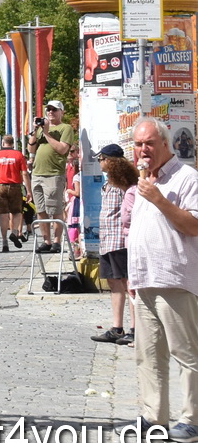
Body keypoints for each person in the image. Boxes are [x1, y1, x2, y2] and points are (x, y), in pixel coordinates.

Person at [127, 117, 198, 440]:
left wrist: (158, 198)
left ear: (166, 145)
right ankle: (153, 416)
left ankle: (192, 417)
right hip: (144, 279)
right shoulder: (141, 181)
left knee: (186, 353)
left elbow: (193, 226)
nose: (143, 150)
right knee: (149, 354)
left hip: (175, 279)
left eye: (149, 144)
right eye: (139, 144)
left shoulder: (186, 179)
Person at [93, 143, 138, 346]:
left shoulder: (123, 184)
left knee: (128, 283)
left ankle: (135, 329)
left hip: (119, 239)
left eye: (101, 159)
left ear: (110, 160)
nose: (99, 163)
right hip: (107, 240)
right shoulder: (108, 183)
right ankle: (117, 327)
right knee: (113, 282)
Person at [29, 102, 78, 254]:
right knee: (40, 209)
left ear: (61, 112)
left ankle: (56, 242)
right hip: (37, 173)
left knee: (55, 208)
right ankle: (46, 241)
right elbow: (31, 149)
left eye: (54, 110)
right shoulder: (41, 129)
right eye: (48, 110)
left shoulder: (65, 128)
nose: (50, 112)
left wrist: (47, 133)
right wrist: (35, 131)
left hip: (53, 174)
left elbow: (63, 149)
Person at [0, 136, 29, 248]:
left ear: (3, 143)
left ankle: (4, 241)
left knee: (3, 215)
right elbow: (25, 173)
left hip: (0, 186)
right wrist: (28, 190)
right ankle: (15, 232)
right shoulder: (18, 154)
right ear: (13, 143)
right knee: (17, 212)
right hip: (15, 186)